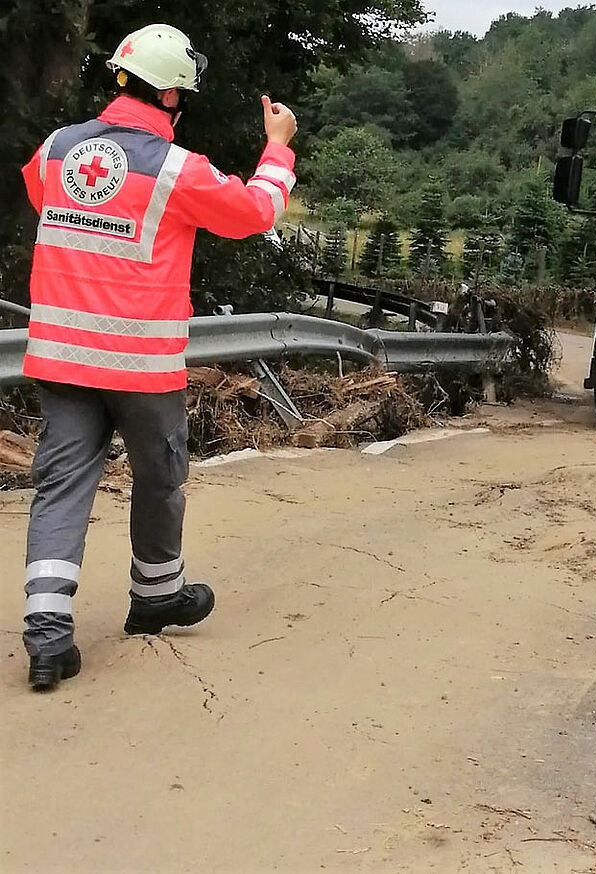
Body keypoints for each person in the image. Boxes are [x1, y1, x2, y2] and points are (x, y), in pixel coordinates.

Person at [19, 23, 298, 690]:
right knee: (161, 475)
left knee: (60, 487)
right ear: (173, 96)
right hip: (139, 363)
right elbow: (255, 212)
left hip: (60, 357)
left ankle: (48, 639)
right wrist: (278, 149)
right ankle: (154, 596)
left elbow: (43, 200)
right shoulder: (177, 171)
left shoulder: (56, 150)